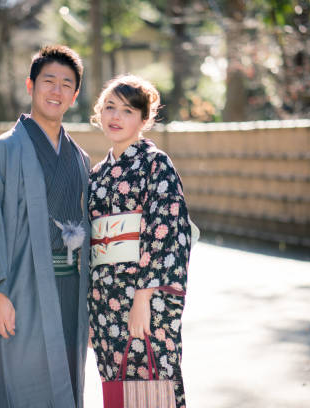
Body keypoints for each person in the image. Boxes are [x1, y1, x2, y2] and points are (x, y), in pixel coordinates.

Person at [0, 45, 90, 408]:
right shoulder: (2, 151)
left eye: (66, 84)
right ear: (30, 86)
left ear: (75, 95)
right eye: (48, 81)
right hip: (18, 290)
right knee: (19, 385)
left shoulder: (79, 157)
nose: (56, 91)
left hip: (69, 291)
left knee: (64, 383)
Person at [88, 75, 193, 408]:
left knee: (152, 381)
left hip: (144, 296)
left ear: (145, 119)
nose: (116, 117)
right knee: (116, 386)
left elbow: (168, 230)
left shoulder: (156, 165)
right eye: (110, 107)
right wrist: (90, 311)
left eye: (128, 110)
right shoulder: (97, 174)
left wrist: (143, 298)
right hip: (105, 298)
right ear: (98, 112)